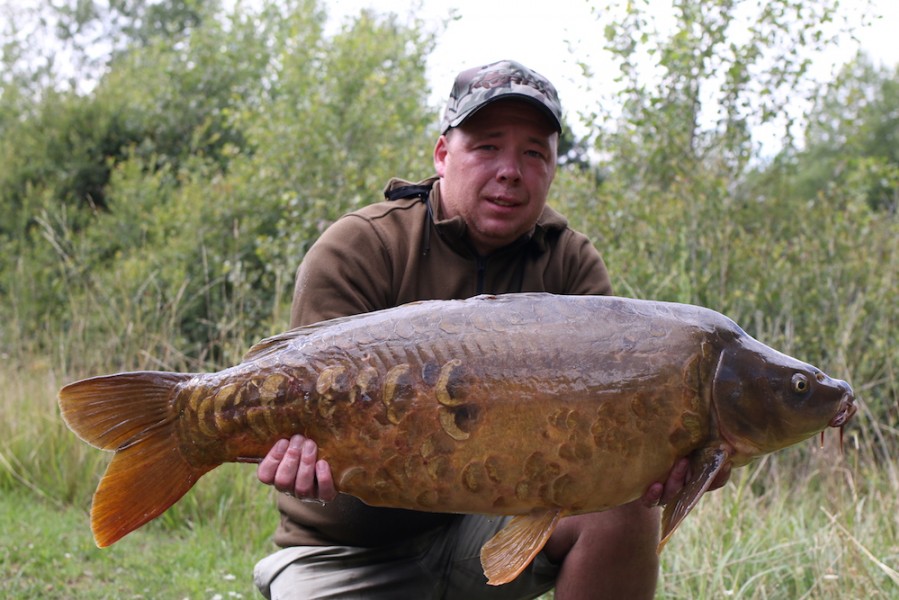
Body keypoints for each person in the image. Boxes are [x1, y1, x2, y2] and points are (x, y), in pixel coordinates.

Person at [253, 59, 728, 599]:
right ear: (442, 154)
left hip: (485, 536)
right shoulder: (361, 247)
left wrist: (668, 459)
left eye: (534, 152)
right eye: (487, 147)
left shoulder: (570, 263)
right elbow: (301, 405)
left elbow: (614, 417)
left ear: (551, 168)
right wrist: (295, 453)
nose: (511, 170)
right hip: (345, 552)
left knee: (621, 509)